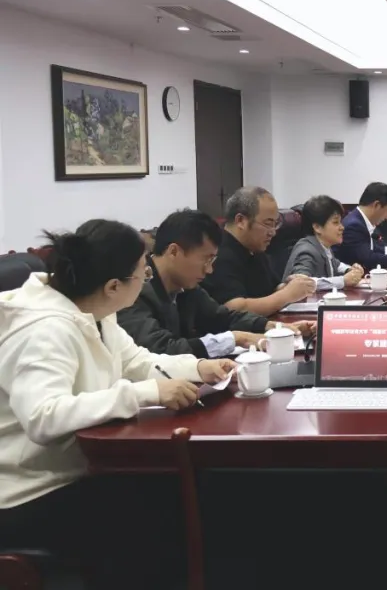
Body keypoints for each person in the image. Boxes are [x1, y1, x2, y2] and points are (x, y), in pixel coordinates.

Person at [0, 220, 235, 588]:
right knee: (156, 514)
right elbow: (43, 417)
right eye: (143, 272)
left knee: (181, 493)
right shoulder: (44, 330)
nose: (147, 278)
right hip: (27, 491)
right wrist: (144, 393)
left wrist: (198, 368)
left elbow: (137, 361)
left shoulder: (95, 311)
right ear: (113, 286)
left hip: (78, 469)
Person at [118, 210, 311, 357]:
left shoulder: (186, 287)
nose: (209, 270)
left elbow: (221, 317)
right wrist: (235, 338)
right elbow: (161, 349)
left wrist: (273, 327)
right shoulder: (133, 291)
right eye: (206, 259)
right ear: (174, 252)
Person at [201, 186, 316, 316]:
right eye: (268, 223)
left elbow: (271, 290)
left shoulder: (255, 249)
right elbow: (234, 308)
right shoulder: (218, 253)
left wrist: (291, 285)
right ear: (241, 221)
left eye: (276, 224)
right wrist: (286, 295)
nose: (273, 232)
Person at [283, 196, 366, 289]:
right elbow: (300, 283)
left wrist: (350, 270)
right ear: (317, 227)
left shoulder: (323, 246)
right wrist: (343, 281)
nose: (342, 227)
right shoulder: (307, 251)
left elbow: (335, 264)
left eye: (340, 222)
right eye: (336, 222)